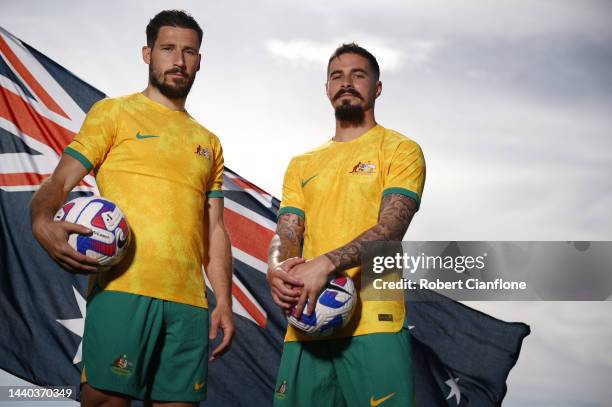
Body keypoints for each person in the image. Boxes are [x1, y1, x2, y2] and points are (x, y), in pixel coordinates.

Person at [30, 10, 234, 407]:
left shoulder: (208, 140)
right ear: (147, 53)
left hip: (190, 303)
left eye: (189, 51)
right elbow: (59, 182)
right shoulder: (114, 113)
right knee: (107, 401)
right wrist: (41, 219)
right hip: (124, 289)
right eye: (168, 48)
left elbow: (216, 230)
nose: (179, 60)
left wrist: (223, 300)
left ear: (199, 61)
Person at [267, 43, 426, 407]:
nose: (347, 83)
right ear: (327, 89)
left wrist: (325, 264)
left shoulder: (401, 149)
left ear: (377, 88)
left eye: (359, 75)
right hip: (307, 320)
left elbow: (390, 230)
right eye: (337, 76)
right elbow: (288, 232)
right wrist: (276, 268)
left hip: (375, 320)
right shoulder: (302, 164)